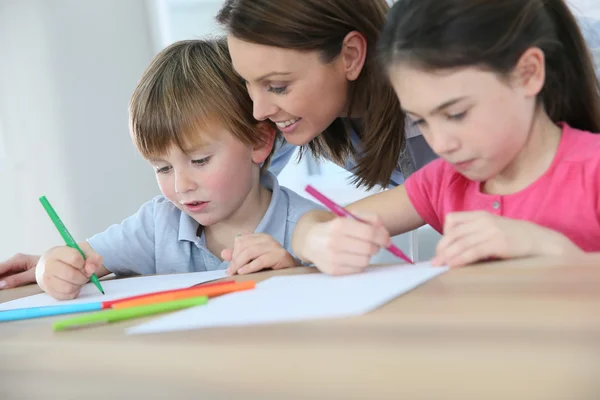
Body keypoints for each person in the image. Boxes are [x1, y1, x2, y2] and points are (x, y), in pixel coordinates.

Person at [291, 0, 600, 275]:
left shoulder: (592, 170)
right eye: (420, 120)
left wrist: (554, 251)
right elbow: (317, 223)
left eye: (456, 114)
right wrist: (312, 241)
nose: (440, 144)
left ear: (528, 74)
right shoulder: (443, 182)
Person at [6, 39, 320, 299]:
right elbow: (75, 257)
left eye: (199, 161)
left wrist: (293, 272)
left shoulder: (310, 225)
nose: (182, 186)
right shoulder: (157, 225)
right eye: (162, 167)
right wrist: (51, 267)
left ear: (258, 142)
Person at [216, 0, 438, 190]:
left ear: (350, 55)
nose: (260, 111)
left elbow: (440, 189)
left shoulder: (439, 84)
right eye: (246, 81)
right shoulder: (301, 112)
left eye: (278, 86)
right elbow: (239, 189)